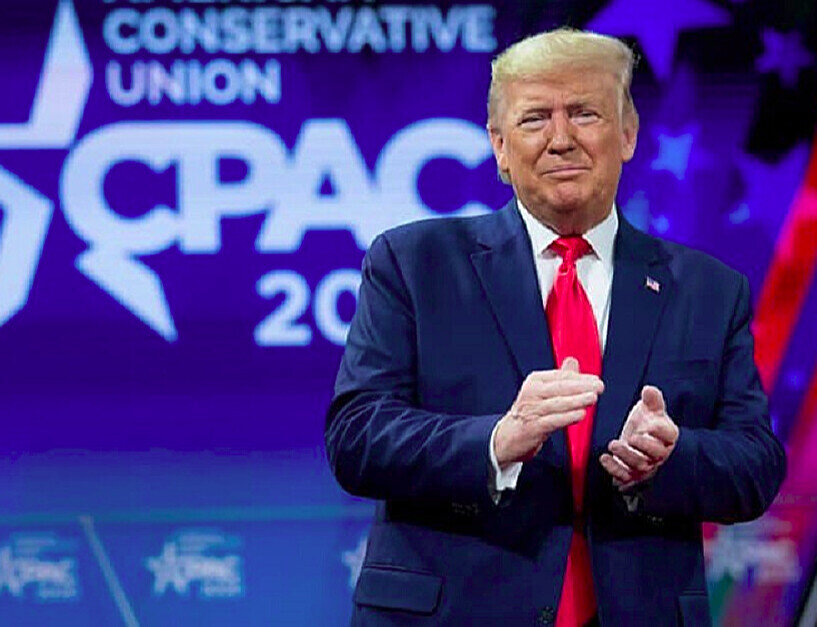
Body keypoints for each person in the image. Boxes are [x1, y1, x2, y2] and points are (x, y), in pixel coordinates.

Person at [325, 27, 786, 626]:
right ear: (499, 146)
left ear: (628, 133)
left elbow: (755, 464)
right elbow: (357, 436)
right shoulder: (414, 264)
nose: (561, 139)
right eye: (535, 118)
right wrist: (496, 442)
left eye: (585, 113)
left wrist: (671, 458)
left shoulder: (708, 289)